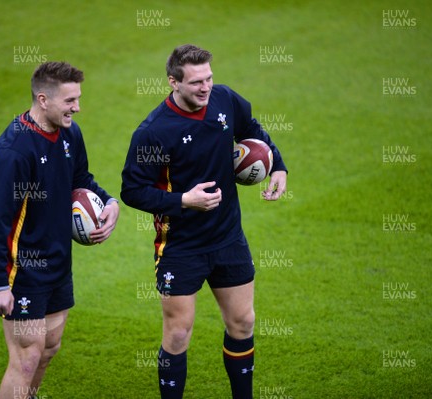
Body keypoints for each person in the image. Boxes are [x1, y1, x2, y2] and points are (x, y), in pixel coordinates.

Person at [121, 44, 288, 399]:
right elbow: (133, 190)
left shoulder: (224, 100)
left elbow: (251, 129)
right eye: (196, 82)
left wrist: (279, 164)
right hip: (180, 247)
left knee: (243, 322)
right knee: (178, 333)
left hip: (228, 239)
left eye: (209, 78)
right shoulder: (153, 132)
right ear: (173, 82)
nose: (206, 87)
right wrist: (183, 200)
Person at [0, 61, 119, 399]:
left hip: (58, 263)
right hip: (23, 271)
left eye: (78, 98)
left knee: (49, 348)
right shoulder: (14, 152)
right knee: (25, 358)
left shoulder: (69, 132)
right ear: (43, 100)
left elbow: (80, 179)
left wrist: (108, 202)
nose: (77, 108)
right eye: (70, 101)